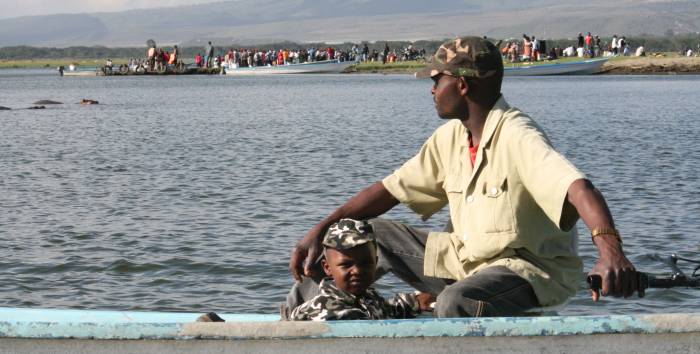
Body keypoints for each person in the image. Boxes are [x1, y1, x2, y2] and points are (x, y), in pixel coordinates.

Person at [286, 36, 640, 318]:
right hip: (466, 260)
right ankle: (320, 314)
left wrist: (612, 254)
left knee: (455, 302)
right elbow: (388, 191)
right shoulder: (451, 138)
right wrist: (321, 230)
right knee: (358, 235)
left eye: (437, 80)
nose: (431, 89)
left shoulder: (517, 134)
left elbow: (579, 189)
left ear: (463, 85)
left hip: (527, 271)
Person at [287, 219, 434, 321]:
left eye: (366, 263)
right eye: (346, 265)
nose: (357, 271)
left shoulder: (367, 297)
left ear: (376, 262)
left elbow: (386, 309)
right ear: (327, 268)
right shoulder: (328, 312)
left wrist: (415, 301)